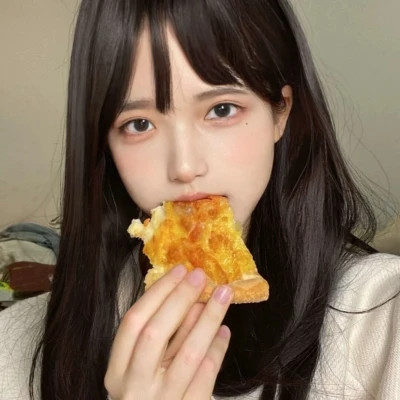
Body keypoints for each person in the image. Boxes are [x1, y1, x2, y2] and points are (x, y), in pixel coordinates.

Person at [0, 0, 399, 399]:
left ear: (280, 113)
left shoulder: (381, 319)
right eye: (139, 124)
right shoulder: (11, 350)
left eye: (221, 109)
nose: (185, 166)